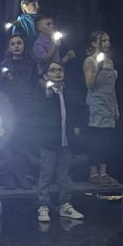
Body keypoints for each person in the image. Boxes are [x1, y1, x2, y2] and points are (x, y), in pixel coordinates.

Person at [33, 61, 85, 224]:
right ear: (46, 75)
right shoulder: (41, 95)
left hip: (65, 140)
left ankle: (64, 204)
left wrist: (77, 126)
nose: (57, 73)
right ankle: (43, 205)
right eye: (53, 70)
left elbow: (80, 111)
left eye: (60, 70)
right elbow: (35, 116)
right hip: (48, 142)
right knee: (46, 173)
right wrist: (47, 98)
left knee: (64, 174)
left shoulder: (70, 94)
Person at [0, 34, 40, 188]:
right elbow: (1, 87)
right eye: (13, 44)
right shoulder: (5, 64)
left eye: (19, 43)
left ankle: (23, 176)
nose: (16, 46)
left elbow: (35, 85)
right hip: (10, 108)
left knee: (25, 143)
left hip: (27, 108)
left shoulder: (31, 64)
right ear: (8, 48)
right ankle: (10, 177)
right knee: (10, 143)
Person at [84, 31, 120, 186]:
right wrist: (97, 69)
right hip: (96, 105)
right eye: (103, 40)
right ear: (93, 43)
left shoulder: (110, 62)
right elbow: (89, 84)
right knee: (96, 141)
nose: (107, 43)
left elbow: (112, 87)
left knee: (107, 141)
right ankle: (93, 173)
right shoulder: (90, 61)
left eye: (108, 40)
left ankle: (104, 173)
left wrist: (116, 107)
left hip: (108, 105)